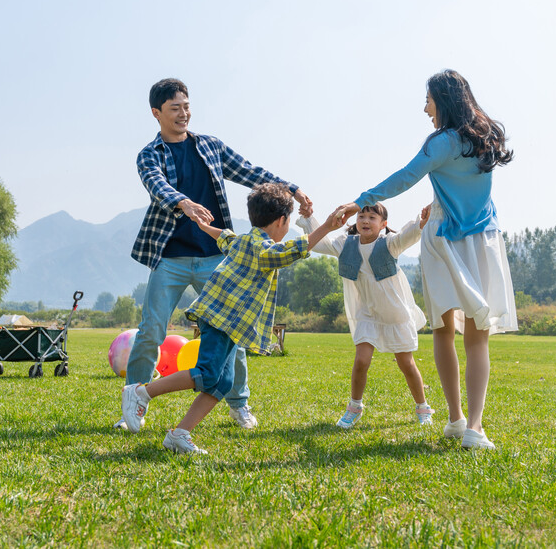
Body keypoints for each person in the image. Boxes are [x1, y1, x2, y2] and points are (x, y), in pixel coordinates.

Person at [119, 78, 312, 432]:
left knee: (233, 335)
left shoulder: (210, 146)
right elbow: (156, 185)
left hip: (217, 258)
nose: (183, 114)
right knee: (151, 332)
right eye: (175, 108)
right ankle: (132, 404)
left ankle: (239, 404)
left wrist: (292, 187)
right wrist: (183, 202)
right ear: (156, 113)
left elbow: (249, 171)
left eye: (187, 106)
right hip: (171, 257)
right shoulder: (150, 154)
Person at [338, 69, 516, 450]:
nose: (425, 108)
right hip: (482, 238)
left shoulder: (442, 141)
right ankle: (474, 427)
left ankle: (456, 419)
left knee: (444, 329)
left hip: (444, 238)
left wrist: (361, 199)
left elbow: (406, 176)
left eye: (428, 100)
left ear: (443, 100)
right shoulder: (487, 137)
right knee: (477, 334)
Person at [122, 183, 344, 454]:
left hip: (225, 322)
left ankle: (180, 434)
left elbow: (222, 236)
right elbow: (296, 249)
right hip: (221, 320)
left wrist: (204, 227)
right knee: (206, 373)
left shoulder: (241, 240)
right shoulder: (264, 251)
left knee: (223, 382)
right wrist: (328, 227)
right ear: (282, 221)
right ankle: (141, 393)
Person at [297, 202, 433, 429]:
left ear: (383, 224)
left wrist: (421, 221)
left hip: (394, 315)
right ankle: (354, 407)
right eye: (361, 216)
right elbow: (321, 243)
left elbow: (408, 236)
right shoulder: (345, 244)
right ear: (355, 221)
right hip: (366, 314)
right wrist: (311, 218)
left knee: (406, 364)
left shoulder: (390, 243)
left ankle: (423, 407)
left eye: (372, 217)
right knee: (361, 361)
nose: (366, 221)